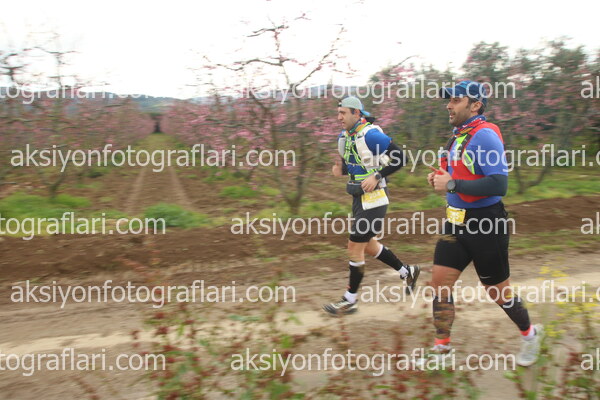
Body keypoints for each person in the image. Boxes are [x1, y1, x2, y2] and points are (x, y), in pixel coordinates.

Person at [421, 80, 543, 367]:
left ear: (475, 105)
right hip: (455, 223)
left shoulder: (485, 135)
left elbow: (499, 184)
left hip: (486, 224)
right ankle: (442, 350)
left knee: (498, 292)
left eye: (456, 100)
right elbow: (460, 175)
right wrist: (441, 178)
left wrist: (452, 184)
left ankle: (530, 334)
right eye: (448, 100)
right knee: (440, 284)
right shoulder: (458, 136)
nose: (448, 105)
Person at [323, 96, 419, 315]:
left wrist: (377, 176)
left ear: (356, 113)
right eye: (338, 113)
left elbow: (401, 158)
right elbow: (355, 166)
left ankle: (350, 300)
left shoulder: (371, 135)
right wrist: (341, 170)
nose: (339, 117)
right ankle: (407, 271)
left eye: (343, 113)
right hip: (359, 197)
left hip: (375, 197)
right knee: (368, 245)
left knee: (354, 246)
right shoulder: (344, 138)